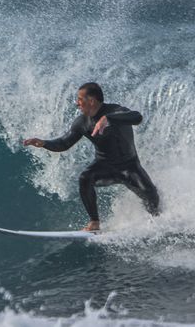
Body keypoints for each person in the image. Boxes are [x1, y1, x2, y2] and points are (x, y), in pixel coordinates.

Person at [23, 82, 160, 231]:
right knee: (85, 178)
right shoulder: (82, 122)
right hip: (104, 167)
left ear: (92, 101)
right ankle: (94, 222)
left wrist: (108, 119)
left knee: (152, 199)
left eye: (80, 99)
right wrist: (43, 143)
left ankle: (157, 223)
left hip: (130, 166)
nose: (77, 103)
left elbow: (137, 117)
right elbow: (64, 143)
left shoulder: (115, 111)